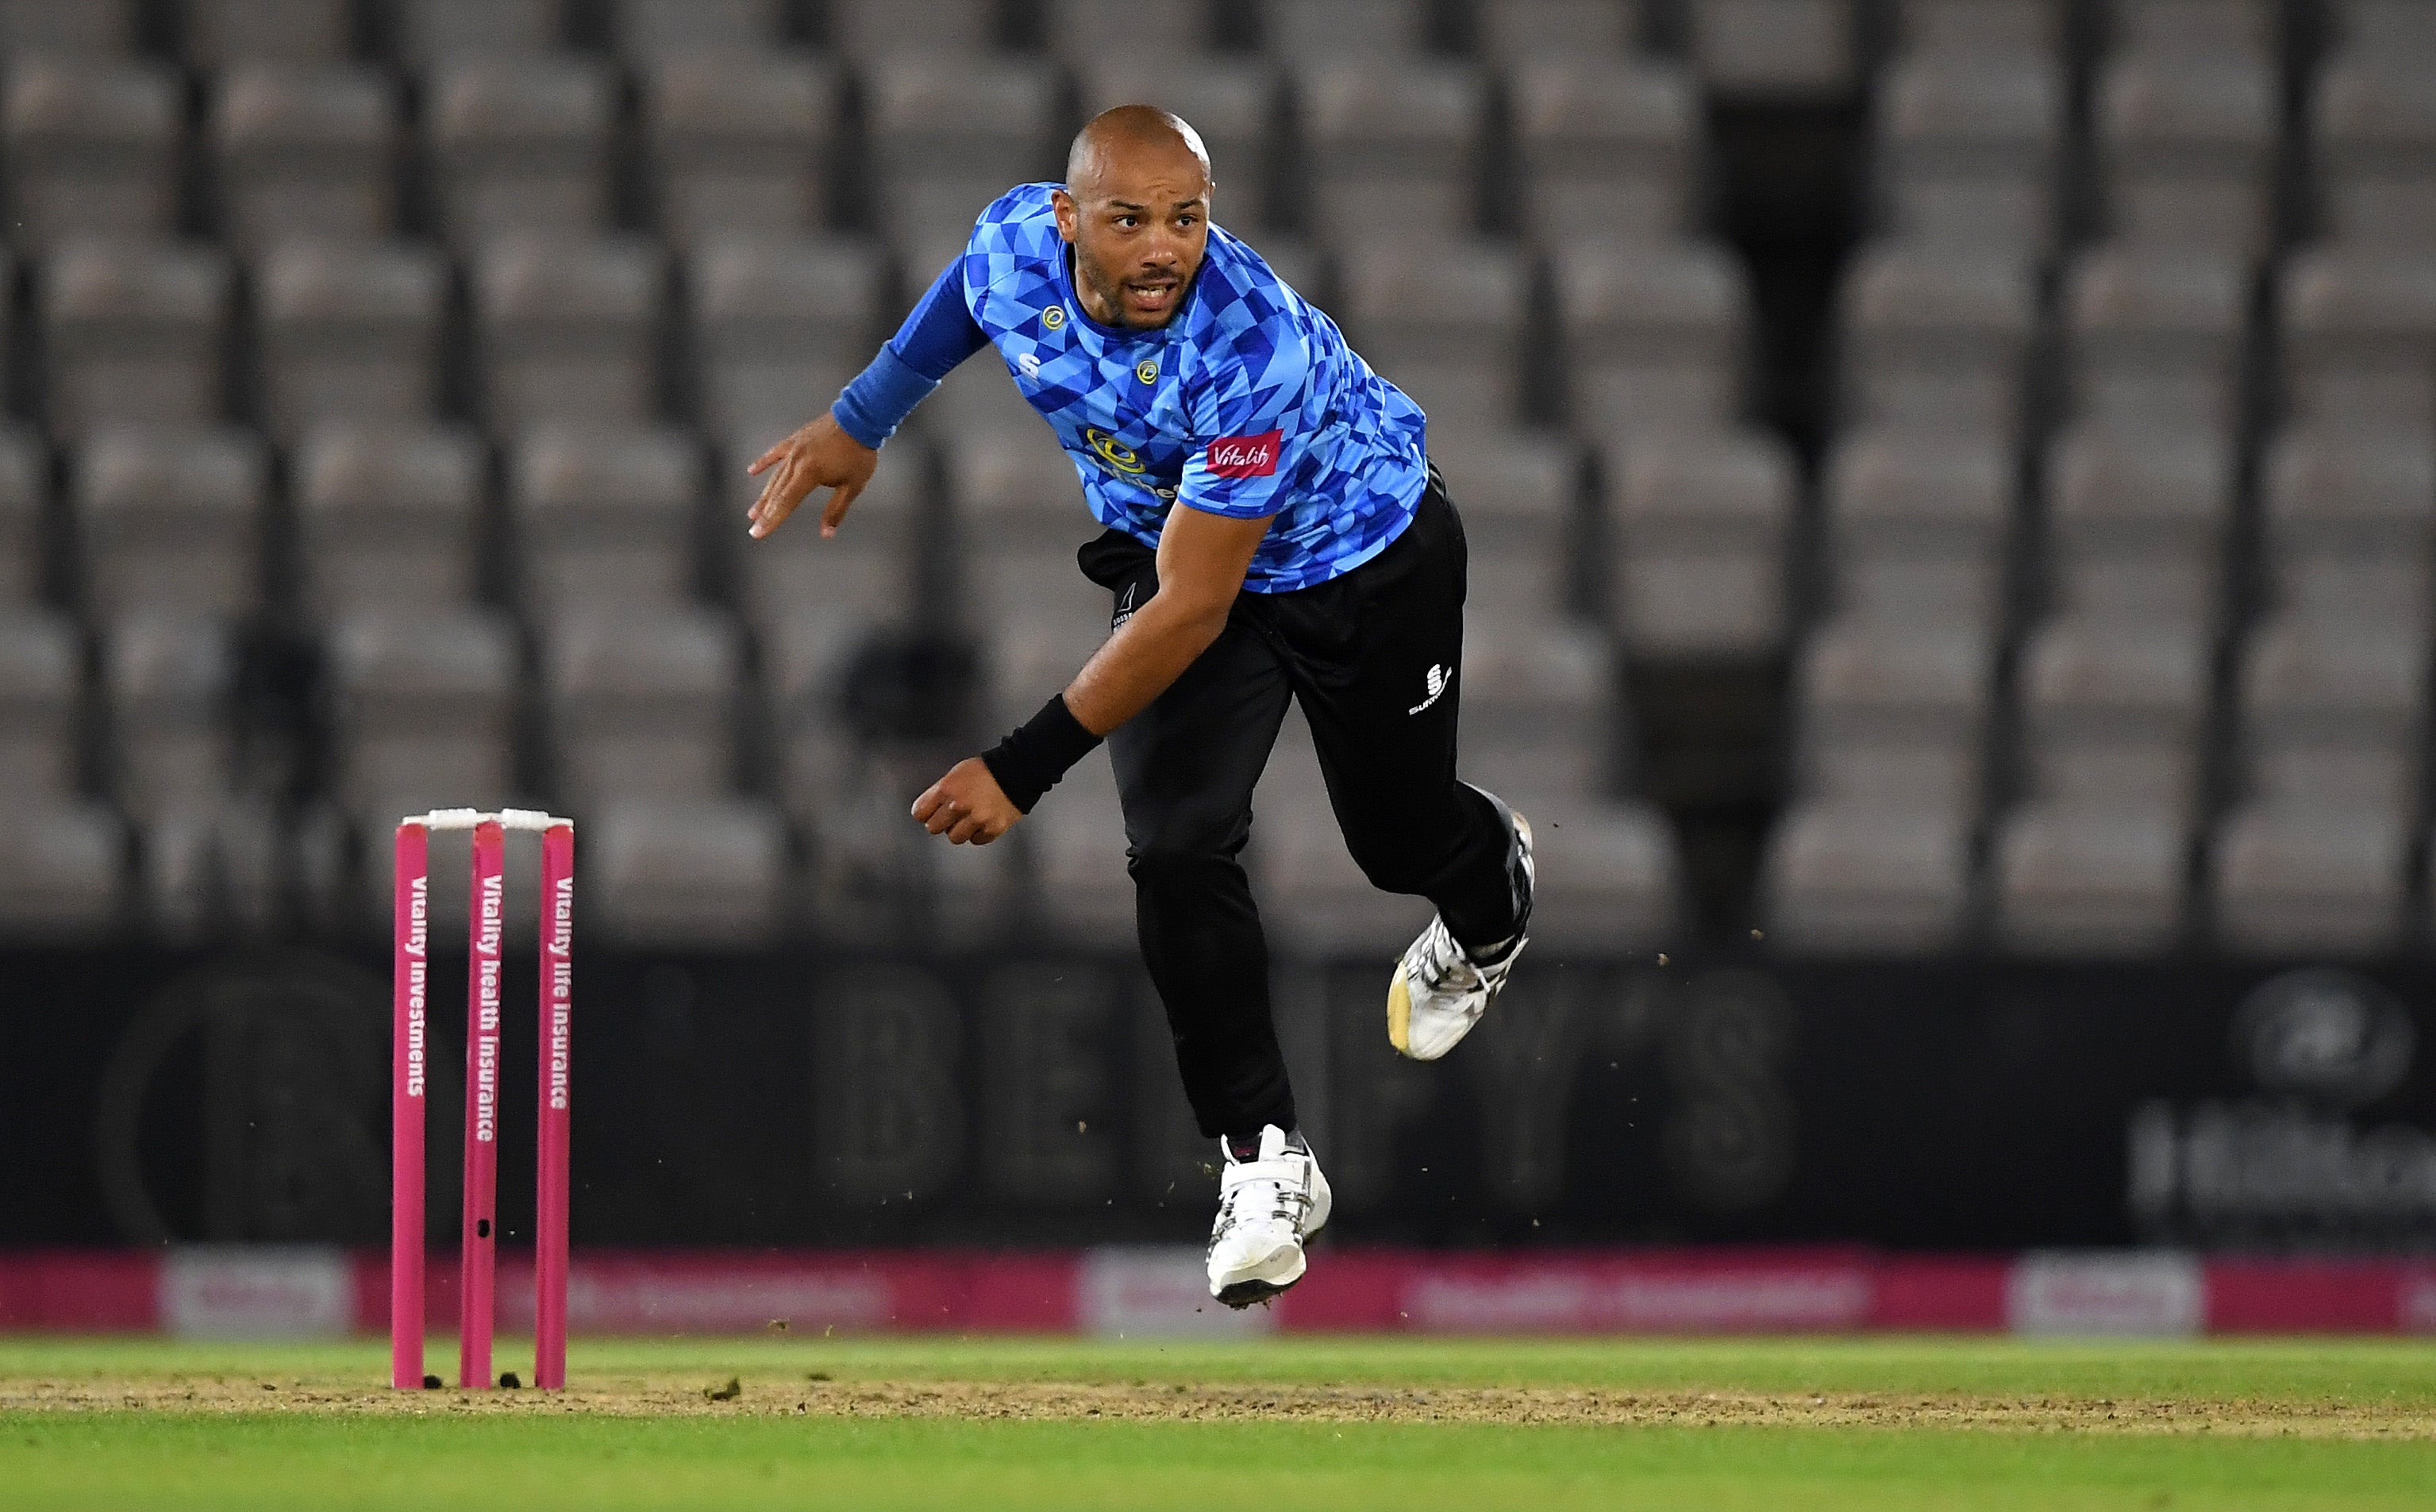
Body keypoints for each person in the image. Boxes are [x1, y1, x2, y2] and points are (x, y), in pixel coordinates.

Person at [745, 106, 1534, 1307]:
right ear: (1068, 221)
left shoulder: (1245, 342)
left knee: (1396, 841)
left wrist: (1021, 763)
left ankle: (1493, 897)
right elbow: (965, 295)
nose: (1165, 246)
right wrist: (860, 420)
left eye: (1187, 216)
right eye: (1129, 220)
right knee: (1174, 843)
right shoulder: (1015, 243)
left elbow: (1187, 614)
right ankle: (1263, 1157)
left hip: (1363, 555)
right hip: (1185, 554)